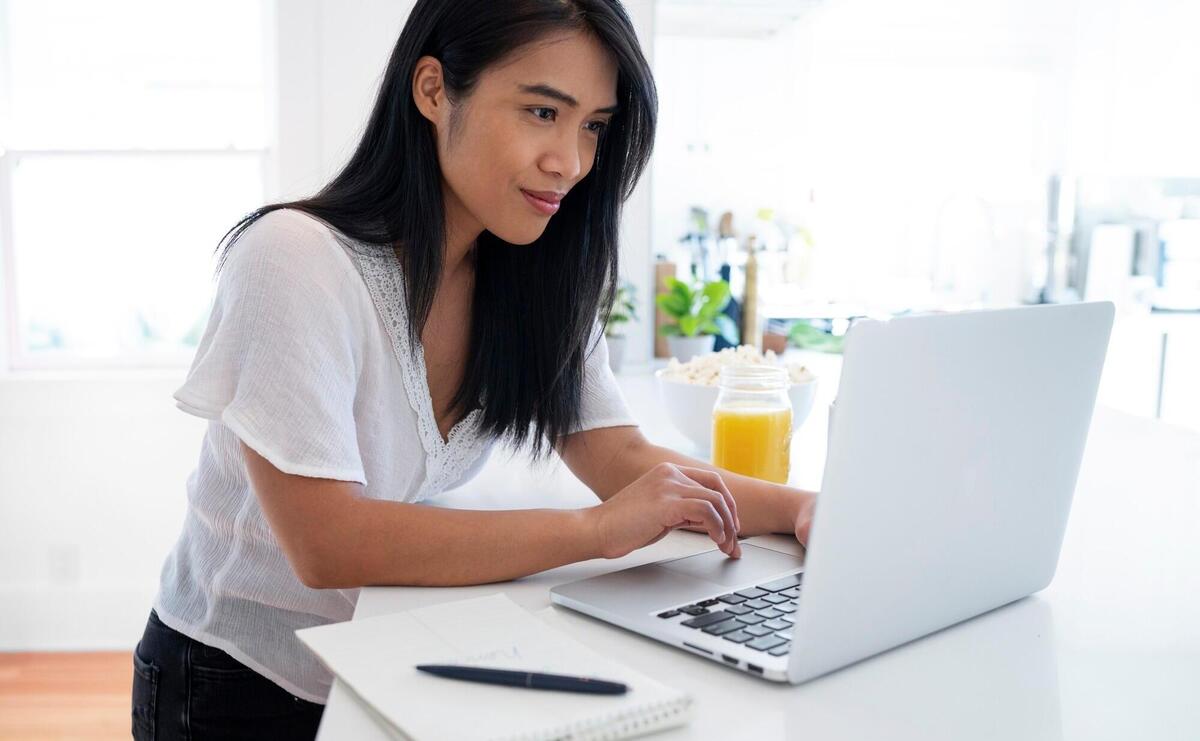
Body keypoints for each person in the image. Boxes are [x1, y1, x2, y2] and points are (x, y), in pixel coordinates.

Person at [131, 1, 817, 738]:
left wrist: (804, 508)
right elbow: (326, 544)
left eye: (593, 125)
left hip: (388, 663)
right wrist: (595, 529)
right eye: (542, 112)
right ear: (433, 90)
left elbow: (620, 457)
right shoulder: (293, 259)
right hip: (236, 680)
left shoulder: (530, 278)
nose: (572, 161)